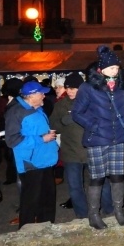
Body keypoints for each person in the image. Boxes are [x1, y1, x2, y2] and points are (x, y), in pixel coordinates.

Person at [72, 45, 124, 229]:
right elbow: (76, 112)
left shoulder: (122, 87)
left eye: (117, 67)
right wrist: (93, 125)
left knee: (118, 177)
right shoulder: (88, 87)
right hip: (97, 139)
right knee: (97, 178)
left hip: (118, 138)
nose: (115, 70)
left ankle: (118, 211)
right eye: (111, 67)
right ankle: (94, 215)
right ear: (101, 68)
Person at [50, 73, 114, 219]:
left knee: (100, 183)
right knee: (75, 186)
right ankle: (82, 215)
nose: (70, 91)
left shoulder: (91, 102)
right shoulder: (61, 105)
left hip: (92, 149)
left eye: (74, 88)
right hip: (71, 152)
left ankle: (109, 209)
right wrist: (63, 121)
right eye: (68, 88)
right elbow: (53, 125)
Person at [5, 80, 59, 228]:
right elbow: (12, 140)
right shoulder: (16, 112)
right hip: (31, 163)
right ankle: (27, 231)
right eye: (41, 93)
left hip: (45, 160)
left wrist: (47, 136)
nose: (44, 96)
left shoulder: (37, 109)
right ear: (31, 95)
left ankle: (46, 227)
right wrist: (42, 138)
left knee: (47, 198)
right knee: (31, 201)